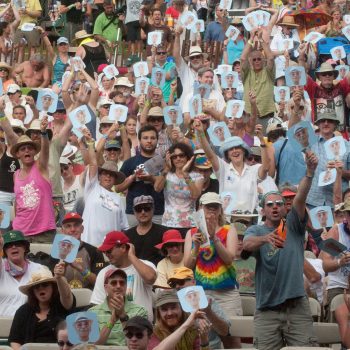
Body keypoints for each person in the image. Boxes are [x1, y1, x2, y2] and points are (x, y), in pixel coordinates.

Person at [242, 151, 319, 349]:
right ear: (262, 210)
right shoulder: (256, 229)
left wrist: (309, 173)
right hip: (267, 309)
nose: (275, 207)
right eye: (270, 204)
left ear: (285, 208)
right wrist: (265, 238)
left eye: (279, 203)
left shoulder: (292, 224)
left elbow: (300, 197)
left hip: (296, 306)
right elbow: (247, 245)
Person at [184, 192, 241, 348]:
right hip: (202, 293)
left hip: (227, 293)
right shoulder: (191, 233)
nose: (212, 210)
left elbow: (229, 258)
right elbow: (187, 266)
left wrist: (213, 237)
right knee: (206, 337)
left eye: (215, 206)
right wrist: (196, 246)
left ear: (220, 209)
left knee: (232, 337)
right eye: (208, 206)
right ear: (200, 208)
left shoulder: (229, 229)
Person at [194, 120, 269, 213]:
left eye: (237, 147)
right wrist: (201, 132)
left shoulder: (254, 169)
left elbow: (265, 168)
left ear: (244, 151)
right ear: (227, 155)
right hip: (227, 221)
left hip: (250, 221)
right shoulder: (223, 169)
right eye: (230, 149)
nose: (234, 151)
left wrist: (262, 141)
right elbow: (210, 155)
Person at [91, 231, 157, 320]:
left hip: (142, 328)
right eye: (104, 252)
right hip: (115, 329)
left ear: (123, 247)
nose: (106, 254)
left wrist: (132, 256)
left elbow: (151, 278)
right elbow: (97, 305)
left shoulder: (144, 264)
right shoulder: (103, 272)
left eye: (109, 251)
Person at [11, 117, 56, 242]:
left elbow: (45, 151)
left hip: (44, 231)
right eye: (23, 149)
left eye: (29, 148)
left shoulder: (40, 166)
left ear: (35, 151)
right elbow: (18, 201)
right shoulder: (16, 174)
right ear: (18, 154)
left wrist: (43, 133)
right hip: (21, 231)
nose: (27, 150)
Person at [8, 265, 75, 348]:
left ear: (53, 287)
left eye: (45, 284)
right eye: (36, 286)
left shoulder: (62, 306)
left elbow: (67, 297)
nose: (41, 289)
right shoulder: (23, 311)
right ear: (32, 291)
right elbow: (15, 340)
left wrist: (58, 278)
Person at [81, 132, 128, 247]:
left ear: (115, 179)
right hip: (89, 244)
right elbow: (93, 163)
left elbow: (124, 227)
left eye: (111, 175)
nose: (108, 176)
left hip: (111, 248)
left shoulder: (119, 199)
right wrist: (91, 144)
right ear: (99, 176)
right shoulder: (92, 187)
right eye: (105, 173)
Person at [168, 266, 231, 349]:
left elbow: (225, 331)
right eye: (173, 284)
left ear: (193, 282)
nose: (177, 286)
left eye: (180, 282)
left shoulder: (208, 299)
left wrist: (209, 312)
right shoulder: (170, 306)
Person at [118, 125, 164, 227]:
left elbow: (163, 186)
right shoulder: (130, 162)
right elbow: (118, 188)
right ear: (139, 140)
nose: (149, 141)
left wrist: (151, 178)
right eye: (145, 138)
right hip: (133, 212)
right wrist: (134, 176)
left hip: (157, 212)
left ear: (157, 141)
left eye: (152, 138)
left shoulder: (163, 162)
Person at [90, 268, 148, 345]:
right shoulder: (92, 313)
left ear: (126, 286)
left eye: (122, 283)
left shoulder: (140, 311)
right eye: (114, 283)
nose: (118, 286)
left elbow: (138, 344)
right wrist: (112, 321)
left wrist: (123, 317)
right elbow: (93, 346)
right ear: (106, 287)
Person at [48, 212, 106, 289]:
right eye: (68, 226)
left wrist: (80, 268)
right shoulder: (55, 252)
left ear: (82, 229)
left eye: (76, 225)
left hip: (88, 295)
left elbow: (101, 282)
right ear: (62, 231)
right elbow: (51, 285)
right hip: (64, 296)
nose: (72, 229)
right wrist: (61, 270)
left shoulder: (94, 251)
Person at [156, 142, 203, 236]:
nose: (178, 158)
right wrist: (166, 169)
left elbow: (195, 195)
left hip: (190, 224)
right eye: (174, 156)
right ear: (170, 159)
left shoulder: (197, 176)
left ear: (188, 157)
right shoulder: (167, 175)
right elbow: (157, 188)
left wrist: (185, 174)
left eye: (181, 155)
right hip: (169, 223)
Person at [306, 113, 350, 209]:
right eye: (322, 121)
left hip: (338, 202)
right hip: (314, 200)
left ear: (335, 124)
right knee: (316, 225)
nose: (326, 123)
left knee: (338, 225)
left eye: (329, 121)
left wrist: (340, 171)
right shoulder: (311, 143)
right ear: (318, 124)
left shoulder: (347, 146)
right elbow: (293, 129)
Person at [0, 230, 44, 317]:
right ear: (4, 250)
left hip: (27, 325)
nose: (13, 246)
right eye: (8, 245)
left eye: (18, 243)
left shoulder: (38, 269)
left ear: (25, 248)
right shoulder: (1, 267)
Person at [240, 27, 275, 130]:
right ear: (250, 61)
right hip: (248, 117)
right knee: (249, 144)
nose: (257, 61)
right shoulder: (246, 73)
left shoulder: (269, 72)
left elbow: (271, 58)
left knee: (266, 144)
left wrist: (260, 39)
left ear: (263, 60)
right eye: (254, 60)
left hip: (267, 116)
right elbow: (242, 58)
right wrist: (251, 38)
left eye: (259, 59)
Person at [124, 195, 166, 266]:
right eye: (138, 209)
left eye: (147, 208)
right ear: (134, 212)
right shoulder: (126, 235)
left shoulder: (164, 232)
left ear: (153, 209)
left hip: (159, 273)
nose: (143, 212)